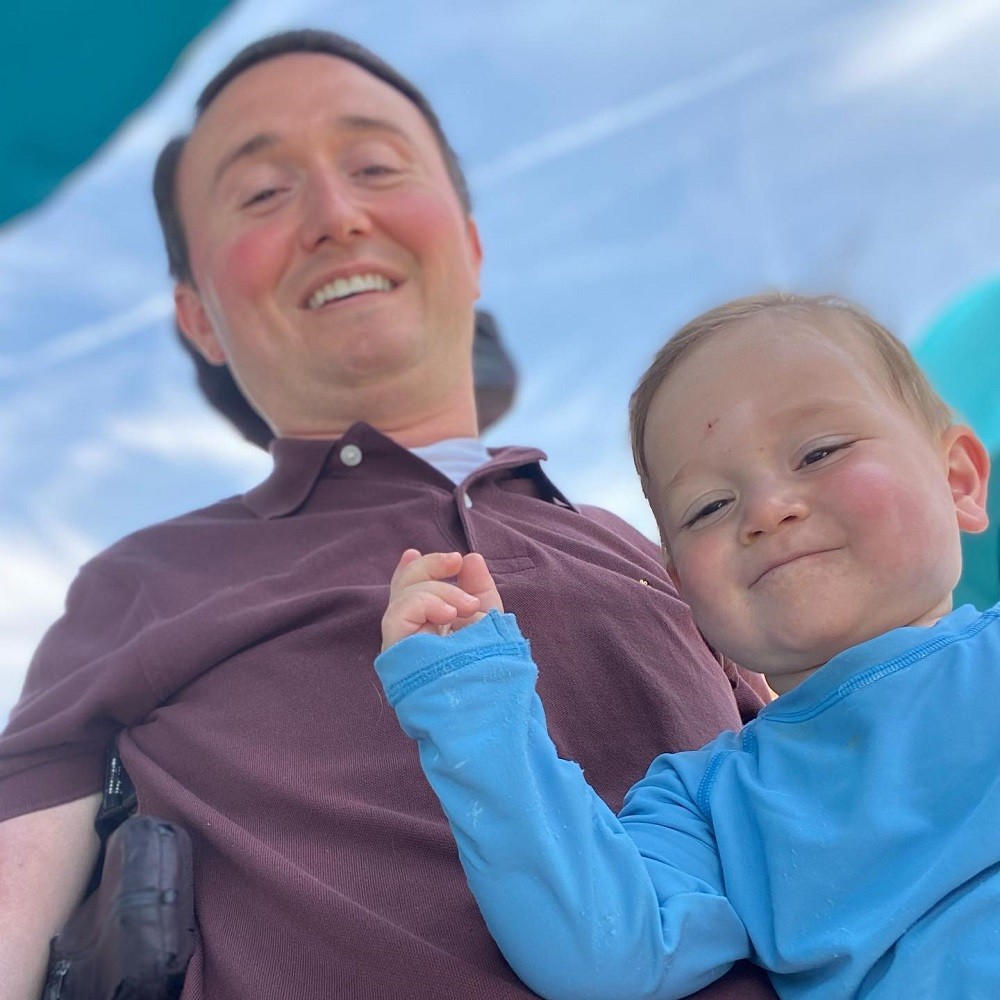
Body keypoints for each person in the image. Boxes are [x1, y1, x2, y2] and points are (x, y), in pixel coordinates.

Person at [0, 29, 775, 1000]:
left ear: (473, 245)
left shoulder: (659, 553)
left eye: (374, 165)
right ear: (198, 316)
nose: (335, 214)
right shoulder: (140, 583)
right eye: (261, 194)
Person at [377, 292, 998, 1000]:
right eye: (708, 506)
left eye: (819, 452)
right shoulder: (707, 803)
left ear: (960, 482)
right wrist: (473, 711)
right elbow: (606, 952)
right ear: (684, 597)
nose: (767, 510)